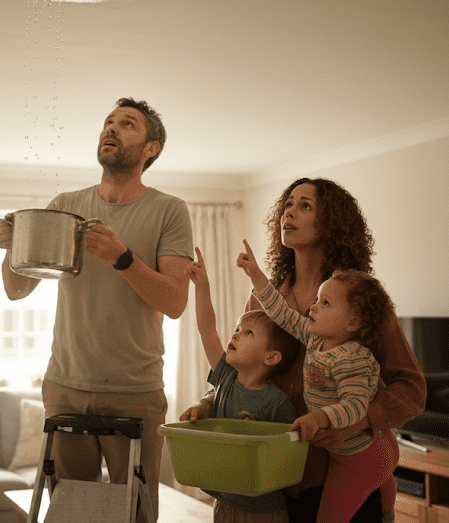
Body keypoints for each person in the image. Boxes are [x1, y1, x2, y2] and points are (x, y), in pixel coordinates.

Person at [0, 97, 194, 523]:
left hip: (135, 391)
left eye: (127, 124)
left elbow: (175, 302)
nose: (111, 128)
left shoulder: (169, 210)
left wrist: (123, 258)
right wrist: (12, 246)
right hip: (65, 386)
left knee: (135, 515)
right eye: (108, 122)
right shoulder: (66, 204)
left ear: (151, 148)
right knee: (71, 514)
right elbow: (17, 289)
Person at [181, 178, 425, 523]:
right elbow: (241, 373)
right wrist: (208, 403)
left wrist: (357, 422)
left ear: (332, 224)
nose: (289, 212)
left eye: (305, 205)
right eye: (288, 204)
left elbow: (411, 388)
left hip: (342, 477)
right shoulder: (263, 299)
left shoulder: (361, 301)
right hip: (273, 483)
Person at [239, 255, 401, 523]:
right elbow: (282, 314)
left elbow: (356, 406)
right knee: (381, 476)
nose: (313, 306)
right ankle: (386, 484)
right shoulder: (315, 337)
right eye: (317, 299)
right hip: (349, 453)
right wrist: (256, 276)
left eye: (325, 303)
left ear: (352, 323)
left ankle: (387, 503)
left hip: (361, 460)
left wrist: (318, 417)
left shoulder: (352, 359)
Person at [187, 246, 299, 522]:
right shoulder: (225, 377)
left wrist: (260, 437)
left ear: (271, 357)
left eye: (249, 333)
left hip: (263, 512)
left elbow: (291, 453)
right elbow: (207, 329)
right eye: (237, 329)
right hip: (223, 502)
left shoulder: (278, 403)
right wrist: (202, 286)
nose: (235, 335)